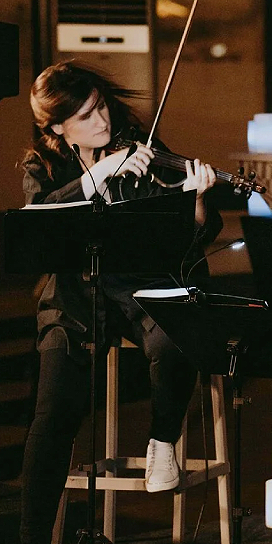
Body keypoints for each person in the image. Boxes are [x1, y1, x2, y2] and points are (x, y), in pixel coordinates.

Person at [18, 61, 222, 544]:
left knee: (175, 336)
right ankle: (31, 536)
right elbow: (37, 221)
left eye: (101, 106)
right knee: (52, 414)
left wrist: (193, 204)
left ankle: (162, 441)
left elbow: (188, 238)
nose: (102, 120)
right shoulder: (42, 166)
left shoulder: (142, 147)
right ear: (57, 128)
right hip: (74, 299)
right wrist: (101, 173)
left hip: (139, 290)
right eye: (85, 116)